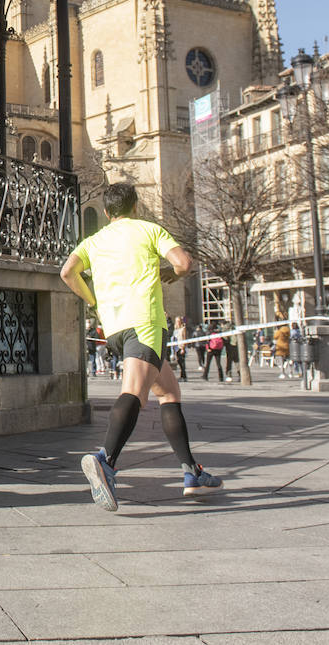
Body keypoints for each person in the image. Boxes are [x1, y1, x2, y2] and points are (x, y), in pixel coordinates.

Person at [59, 182, 222, 512]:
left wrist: (93, 302)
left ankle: (191, 471)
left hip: (115, 327)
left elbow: (67, 272)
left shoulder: (94, 240)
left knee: (169, 392)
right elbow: (184, 263)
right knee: (134, 392)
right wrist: (173, 271)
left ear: (107, 213)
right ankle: (106, 460)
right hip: (145, 323)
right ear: (135, 207)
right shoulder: (149, 230)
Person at [170, 316, 188, 382]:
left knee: (182, 362)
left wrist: (183, 348)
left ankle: (184, 376)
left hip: (181, 347)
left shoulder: (183, 329)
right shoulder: (175, 329)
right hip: (176, 347)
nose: (177, 322)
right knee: (179, 362)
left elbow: (184, 338)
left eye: (179, 321)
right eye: (176, 321)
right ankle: (182, 376)